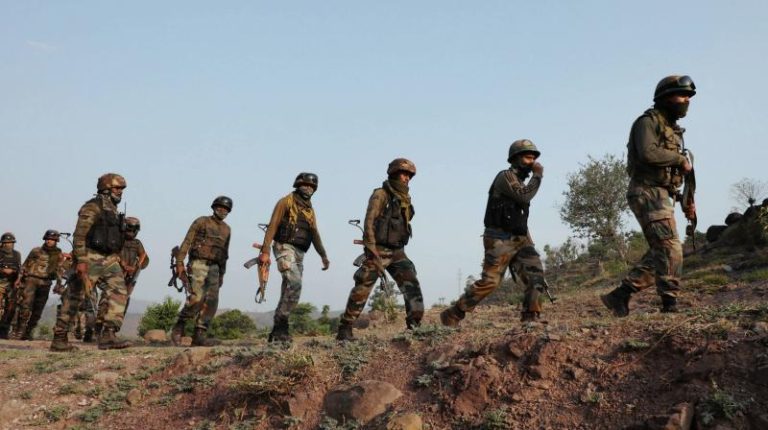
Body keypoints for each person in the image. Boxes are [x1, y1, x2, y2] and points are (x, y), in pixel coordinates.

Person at [601, 75, 697, 316]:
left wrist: (689, 202)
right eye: (681, 95)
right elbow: (647, 153)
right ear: (665, 98)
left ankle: (620, 295)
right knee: (669, 247)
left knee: (661, 250)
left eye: (688, 96)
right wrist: (679, 159)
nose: (686, 100)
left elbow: (682, 174)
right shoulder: (646, 122)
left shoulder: (673, 130)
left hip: (662, 193)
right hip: (647, 191)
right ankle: (669, 305)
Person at [440, 139, 549, 327]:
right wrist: (538, 176)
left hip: (520, 239)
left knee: (536, 275)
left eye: (533, 158)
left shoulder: (520, 181)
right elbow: (524, 195)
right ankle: (455, 312)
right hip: (499, 239)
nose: (531, 162)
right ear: (515, 159)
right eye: (527, 157)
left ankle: (531, 317)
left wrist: (529, 242)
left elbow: (518, 216)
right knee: (490, 282)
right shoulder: (505, 177)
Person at [337, 158, 424, 341]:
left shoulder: (404, 199)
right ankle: (345, 329)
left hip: (398, 251)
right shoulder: (381, 194)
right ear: (393, 173)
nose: (406, 178)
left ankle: (415, 328)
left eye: (409, 175)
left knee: (412, 285)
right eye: (403, 173)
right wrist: (371, 249)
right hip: (379, 249)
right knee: (362, 287)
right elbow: (369, 221)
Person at [51, 173, 131, 351]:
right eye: (117, 188)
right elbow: (79, 235)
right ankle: (60, 338)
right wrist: (80, 260)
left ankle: (108, 334)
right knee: (75, 297)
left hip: (110, 259)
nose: (121, 192)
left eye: (122, 189)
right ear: (106, 189)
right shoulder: (92, 207)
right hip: (89, 256)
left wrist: (118, 257)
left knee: (119, 292)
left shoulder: (114, 211)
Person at [257, 173, 330, 343]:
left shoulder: (309, 210)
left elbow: (314, 234)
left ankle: (277, 331)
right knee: (295, 284)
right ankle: (281, 326)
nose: (309, 188)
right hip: (284, 247)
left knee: (289, 290)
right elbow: (273, 225)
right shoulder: (285, 202)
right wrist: (265, 251)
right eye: (305, 185)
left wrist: (323, 255)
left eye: (312, 186)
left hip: (300, 252)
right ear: (298, 185)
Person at [171, 196, 232, 347]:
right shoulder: (202, 221)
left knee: (211, 301)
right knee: (196, 298)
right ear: (213, 207)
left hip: (215, 268)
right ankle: (179, 326)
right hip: (198, 263)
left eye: (225, 209)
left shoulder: (227, 229)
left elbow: (225, 253)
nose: (222, 210)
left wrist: (222, 273)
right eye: (220, 207)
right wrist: (180, 263)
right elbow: (187, 241)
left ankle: (199, 334)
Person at [86, 216, 149, 341]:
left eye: (134, 229)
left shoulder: (137, 243)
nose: (131, 231)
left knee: (122, 302)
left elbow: (144, 256)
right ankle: (97, 329)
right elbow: (111, 254)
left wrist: (135, 266)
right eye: (129, 228)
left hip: (128, 279)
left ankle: (111, 330)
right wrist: (123, 265)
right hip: (113, 276)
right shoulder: (117, 239)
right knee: (105, 301)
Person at [11, 230, 64, 340]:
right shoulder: (36, 251)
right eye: (48, 239)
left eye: (52, 240)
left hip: (46, 283)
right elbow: (25, 266)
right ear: (45, 239)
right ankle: (19, 331)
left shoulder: (59, 254)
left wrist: (58, 284)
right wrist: (19, 279)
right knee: (25, 306)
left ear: (56, 241)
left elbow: (59, 270)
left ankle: (28, 331)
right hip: (31, 280)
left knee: (38, 310)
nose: (50, 241)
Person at [0, 232, 22, 339]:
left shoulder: (17, 254)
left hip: (12, 285)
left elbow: (19, 269)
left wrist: (17, 279)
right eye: (6, 242)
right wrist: (3, 270)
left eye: (10, 242)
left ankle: (4, 330)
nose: (8, 244)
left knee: (11, 309)